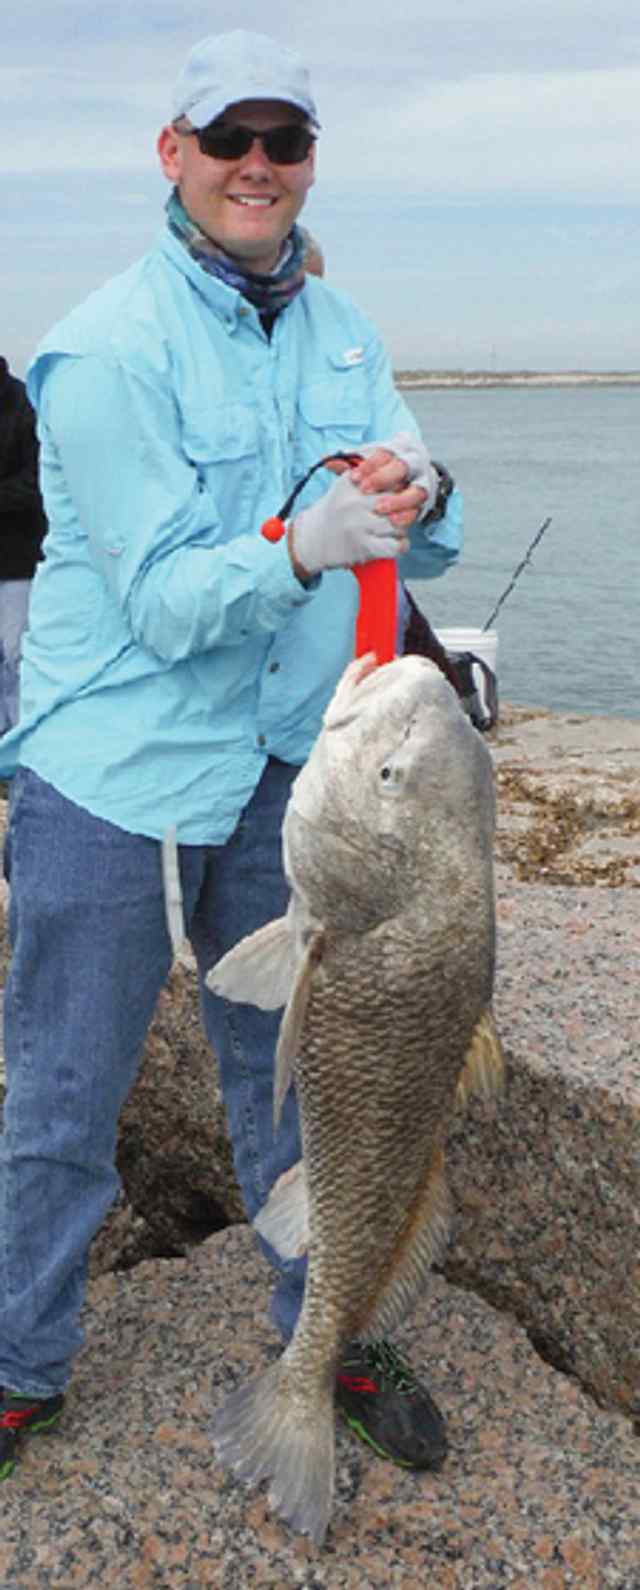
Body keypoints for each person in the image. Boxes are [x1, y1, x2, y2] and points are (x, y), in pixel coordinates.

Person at [0, 30, 463, 1484]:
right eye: (230, 139)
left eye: (286, 140)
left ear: (310, 159)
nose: (258, 164)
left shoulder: (342, 331)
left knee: (308, 1077)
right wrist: (294, 544)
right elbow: (161, 602)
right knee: (66, 1090)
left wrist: (421, 485)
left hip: (284, 765)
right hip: (111, 766)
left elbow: (417, 515)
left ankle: (329, 1330)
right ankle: (21, 1364)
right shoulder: (102, 349)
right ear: (175, 155)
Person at [0, 359, 47, 734]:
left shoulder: (24, 403)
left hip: (19, 560)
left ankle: (20, 745)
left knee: (19, 656)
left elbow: (38, 481)